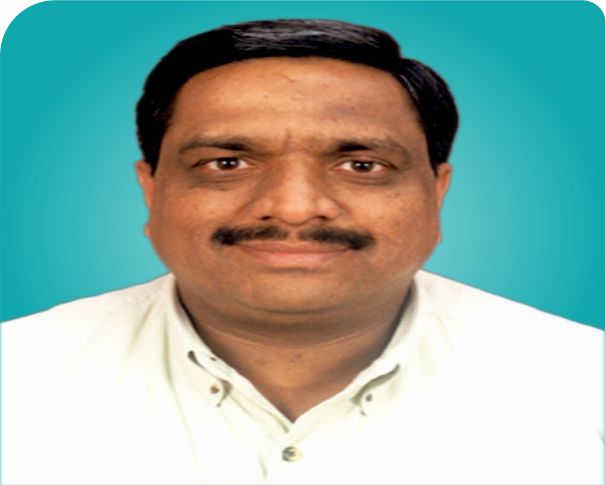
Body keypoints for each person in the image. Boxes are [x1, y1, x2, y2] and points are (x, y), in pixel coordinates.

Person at [1, 18, 602, 485]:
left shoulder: (586, 382)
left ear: (436, 193)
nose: (293, 208)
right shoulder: (16, 378)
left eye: (361, 165)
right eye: (227, 163)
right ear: (151, 190)